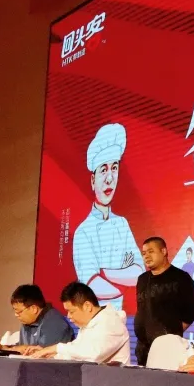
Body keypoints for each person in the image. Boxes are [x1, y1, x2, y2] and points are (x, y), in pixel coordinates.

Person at [71, 123, 143, 311]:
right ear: (92, 180)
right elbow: (92, 285)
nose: (110, 178)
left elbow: (139, 273)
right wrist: (123, 278)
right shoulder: (83, 232)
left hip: (120, 317)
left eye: (114, 168)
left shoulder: (122, 224)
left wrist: (103, 272)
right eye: (103, 170)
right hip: (93, 317)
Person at [134, 237, 194, 365]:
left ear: (163, 251)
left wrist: (171, 334)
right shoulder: (142, 279)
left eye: (151, 251)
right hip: (143, 349)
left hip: (167, 350)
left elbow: (191, 312)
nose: (146, 256)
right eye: (144, 253)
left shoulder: (181, 278)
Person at [29, 282, 130, 364]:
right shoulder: (89, 324)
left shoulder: (111, 322)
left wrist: (57, 348)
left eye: (71, 311)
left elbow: (94, 354)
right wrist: (48, 354)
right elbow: (75, 354)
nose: (68, 316)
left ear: (87, 306)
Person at [0, 284, 74, 353]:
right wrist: (1, 348)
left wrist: (21, 349)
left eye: (19, 312)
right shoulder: (28, 322)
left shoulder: (54, 323)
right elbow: (21, 347)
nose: (16, 315)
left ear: (33, 309)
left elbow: (40, 353)